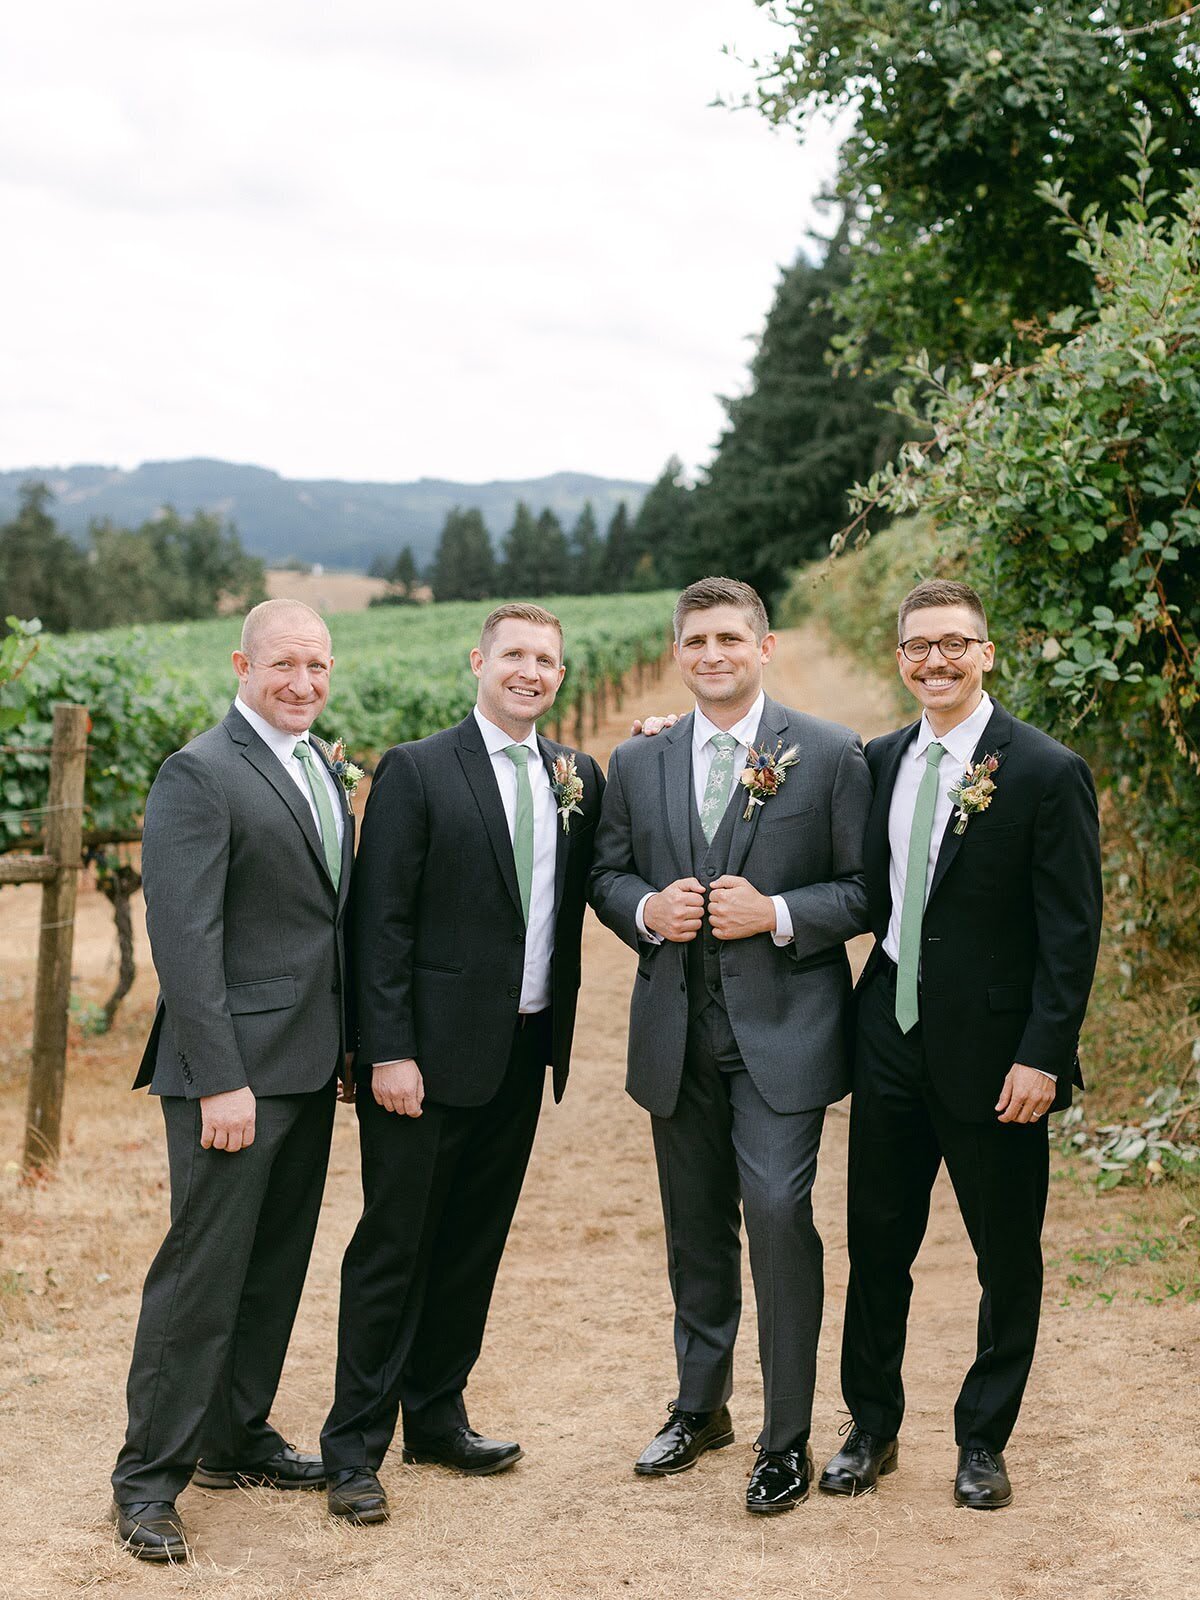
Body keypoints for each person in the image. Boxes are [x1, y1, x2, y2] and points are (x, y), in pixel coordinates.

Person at [589, 576, 872, 1515]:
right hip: (676, 1032)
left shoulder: (830, 755)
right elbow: (607, 871)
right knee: (696, 1228)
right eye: (696, 642)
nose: (711, 656)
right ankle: (700, 1406)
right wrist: (643, 909)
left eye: (728, 640)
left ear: (765, 647)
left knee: (780, 1216)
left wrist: (779, 912)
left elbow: (864, 889)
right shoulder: (641, 761)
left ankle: (784, 1436)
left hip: (785, 1035)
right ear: (679, 652)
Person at [819, 579, 1102, 1510]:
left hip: (998, 1060)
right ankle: (872, 1428)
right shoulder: (880, 758)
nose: (934, 660)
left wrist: (1044, 1054)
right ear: (900, 657)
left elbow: (1071, 931)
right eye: (917, 646)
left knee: (1005, 1255)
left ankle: (984, 1439)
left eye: (954, 643)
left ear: (987, 652)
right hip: (887, 1041)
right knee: (876, 1248)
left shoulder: (1044, 769)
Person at [320, 602, 604, 1525]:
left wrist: (669, 738)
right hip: (425, 1063)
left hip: (521, 1055)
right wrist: (387, 1052)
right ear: (478, 660)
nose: (531, 672)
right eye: (515, 655)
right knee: (394, 1250)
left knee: (472, 1247)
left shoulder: (577, 775)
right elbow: (382, 922)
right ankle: (353, 1449)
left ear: (561, 675)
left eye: (547, 661)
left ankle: (437, 1417)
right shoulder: (415, 769)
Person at [111, 599, 355, 1562]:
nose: (304, 683)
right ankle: (145, 1483)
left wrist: (342, 1050)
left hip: (304, 1064)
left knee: (276, 1263)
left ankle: (234, 1436)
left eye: (319, 666)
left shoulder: (318, 768)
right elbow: (185, 938)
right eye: (286, 664)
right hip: (231, 1077)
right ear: (242, 665)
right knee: (201, 1277)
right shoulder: (198, 773)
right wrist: (220, 1079)